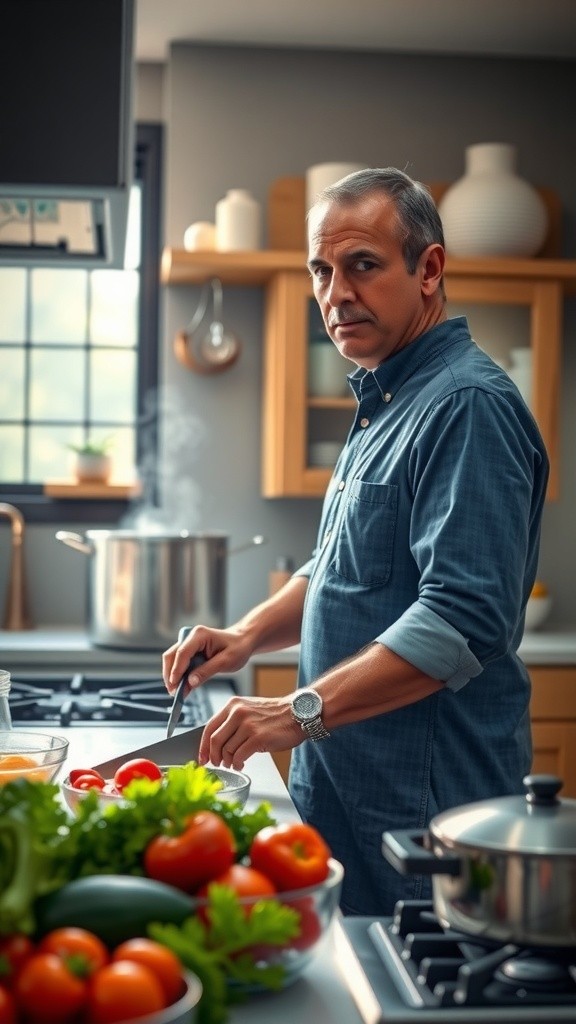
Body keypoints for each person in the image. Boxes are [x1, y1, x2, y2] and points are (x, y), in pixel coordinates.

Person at [162, 167, 549, 917]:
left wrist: (291, 714)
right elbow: (342, 562)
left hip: (423, 814)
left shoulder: (468, 405)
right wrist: (245, 637)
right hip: (343, 793)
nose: (335, 293)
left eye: (362, 265)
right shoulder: (387, 397)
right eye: (321, 270)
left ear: (428, 270)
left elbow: (460, 622)